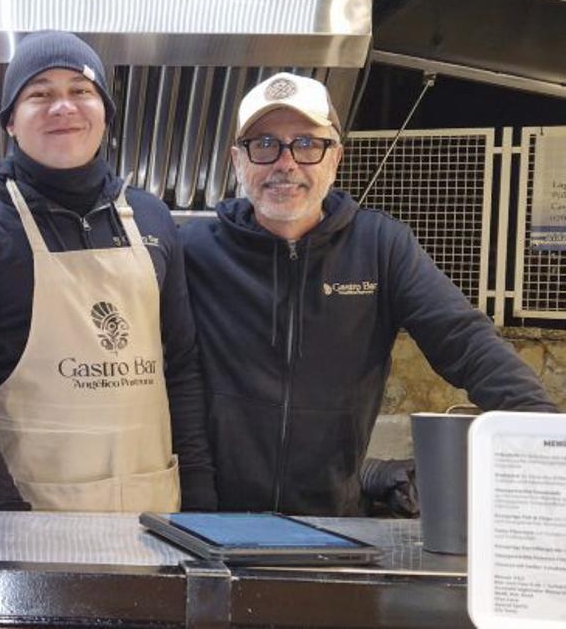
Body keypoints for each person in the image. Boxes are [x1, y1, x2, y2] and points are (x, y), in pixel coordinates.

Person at [181, 72, 558, 516]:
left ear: (335, 158)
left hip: (334, 524)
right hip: (212, 522)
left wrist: (547, 437)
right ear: (236, 161)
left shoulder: (381, 247)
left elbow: (465, 340)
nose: (286, 163)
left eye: (307, 144)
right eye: (264, 144)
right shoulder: (194, 251)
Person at [0, 31, 215, 512]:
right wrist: (10, 528)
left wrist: (199, 510)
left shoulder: (153, 218)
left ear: (106, 113)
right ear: (10, 122)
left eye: (81, 90)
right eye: (39, 94)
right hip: (32, 520)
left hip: (154, 515)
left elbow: (181, 369)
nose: (63, 107)